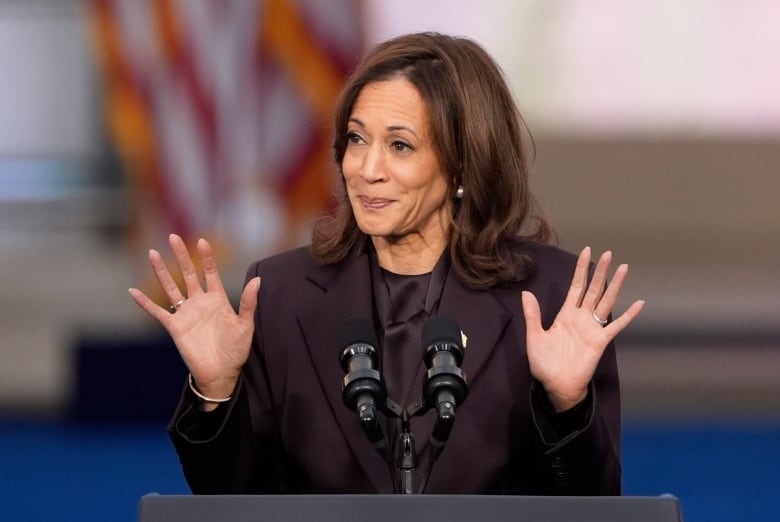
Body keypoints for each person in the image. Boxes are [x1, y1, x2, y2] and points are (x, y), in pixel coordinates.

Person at [129, 32, 644, 496]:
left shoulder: (550, 296)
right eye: (356, 139)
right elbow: (237, 501)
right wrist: (217, 393)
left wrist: (568, 405)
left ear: (463, 163)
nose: (366, 169)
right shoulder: (282, 294)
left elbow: (594, 504)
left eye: (400, 145)